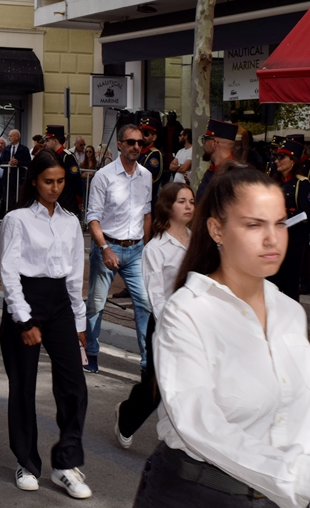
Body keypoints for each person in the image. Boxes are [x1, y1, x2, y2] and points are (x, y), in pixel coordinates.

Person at [134, 163, 310, 508]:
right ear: (217, 229)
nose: (272, 238)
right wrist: (303, 476)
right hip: (196, 494)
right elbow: (198, 422)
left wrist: (298, 487)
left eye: (279, 223)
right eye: (253, 224)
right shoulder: (187, 312)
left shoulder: (290, 312)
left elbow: (297, 420)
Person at [0, 149, 91, 499]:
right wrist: (23, 319)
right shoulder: (17, 218)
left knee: (74, 386)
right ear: (34, 181)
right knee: (23, 386)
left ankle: (66, 464)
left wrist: (79, 321)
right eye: (48, 181)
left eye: (60, 181)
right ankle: (26, 461)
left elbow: (74, 274)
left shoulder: (70, 221)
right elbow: (8, 272)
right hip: (26, 301)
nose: (55, 188)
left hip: (60, 306)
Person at [115, 182, 193, 450]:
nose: (188, 206)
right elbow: (155, 295)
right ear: (168, 206)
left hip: (196, 323)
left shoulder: (197, 242)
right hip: (166, 324)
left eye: (191, 202)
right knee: (155, 387)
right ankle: (126, 416)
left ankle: (186, 443)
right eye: (182, 201)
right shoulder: (156, 248)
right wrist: (171, 324)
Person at [84, 124, 152, 373]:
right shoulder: (104, 176)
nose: (136, 146)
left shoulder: (146, 176)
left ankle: (147, 363)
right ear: (120, 145)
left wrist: (146, 245)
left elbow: (147, 213)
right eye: (131, 142)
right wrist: (104, 248)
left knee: (144, 304)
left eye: (140, 143)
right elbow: (93, 218)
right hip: (107, 247)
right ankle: (90, 354)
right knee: (96, 304)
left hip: (136, 250)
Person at [267, 140, 310, 301]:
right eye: (276, 157)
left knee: (290, 283)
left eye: (281, 157)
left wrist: (283, 220)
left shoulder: (302, 183)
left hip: (293, 239)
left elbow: (306, 213)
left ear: (292, 161)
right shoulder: (273, 182)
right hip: (273, 239)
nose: (277, 161)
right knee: (271, 281)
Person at [43, 126, 83, 214]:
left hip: (67, 201)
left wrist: (79, 200)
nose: (45, 143)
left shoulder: (67, 157)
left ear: (55, 141)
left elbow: (76, 181)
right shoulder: (52, 156)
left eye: (47, 140)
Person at [195, 119, 238, 201]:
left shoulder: (233, 175)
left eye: (206, 140)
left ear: (214, 143)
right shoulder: (212, 170)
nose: (204, 145)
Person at [139, 117, 166, 208]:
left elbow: (147, 180)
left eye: (146, 133)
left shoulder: (154, 155)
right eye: (141, 133)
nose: (142, 137)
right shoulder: (138, 152)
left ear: (154, 137)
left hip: (147, 201)